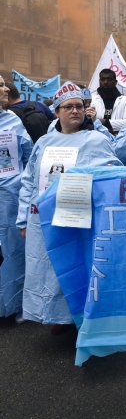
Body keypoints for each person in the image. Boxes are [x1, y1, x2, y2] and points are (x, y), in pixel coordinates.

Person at [17, 81, 121, 333]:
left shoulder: (95, 140)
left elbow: (114, 172)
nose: (75, 111)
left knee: (77, 266)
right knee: (49, 267)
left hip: (79, 218)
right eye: (68, 107)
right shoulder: (43, 142)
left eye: (79, 106)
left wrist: (107, 171)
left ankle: (81, 318)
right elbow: (29, 180)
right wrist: (23, 219)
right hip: (43, 218)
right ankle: (58, 316)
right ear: (57, 111)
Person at [0, 76, 33, 321]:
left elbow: (28, 156)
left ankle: (12, 306)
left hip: (10, 196)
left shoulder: (13, 120)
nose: (5, 89)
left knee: (12, 250)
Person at [91, 69, 126, 134]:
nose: (105, 82)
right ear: (99, 81)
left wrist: (104, 122)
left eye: (109, 79)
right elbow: (87, 123)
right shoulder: (92, 101)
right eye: (103, 79)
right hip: (97, 140)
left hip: (118, 140)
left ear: (115, 82)